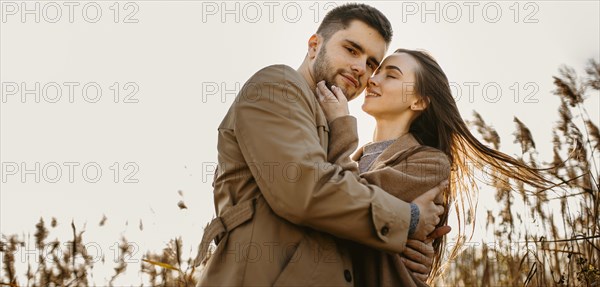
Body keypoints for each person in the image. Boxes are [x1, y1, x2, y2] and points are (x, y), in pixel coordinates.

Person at [193, 4, 449, 286]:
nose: (362, 70)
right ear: (314, 45)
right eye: (352, 50)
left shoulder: (325, 125)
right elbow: (308, 191)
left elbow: (343, 212)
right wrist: (410, 220)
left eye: (371, 63)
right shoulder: (278, 86)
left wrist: (406, 250)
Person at [316, 49, 554, 286]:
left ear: (418, 101)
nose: (372, 79)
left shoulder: (430, 163)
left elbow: (348, 198)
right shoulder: (354, 156)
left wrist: (340, 123)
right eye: (377, 72)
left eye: (391, 75)